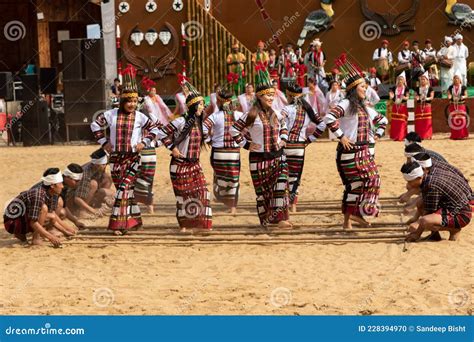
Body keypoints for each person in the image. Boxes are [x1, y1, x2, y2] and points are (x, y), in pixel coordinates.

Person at [91, 68, 160, 235]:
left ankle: (119, 225)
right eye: (129, 101)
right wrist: (103, 142)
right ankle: (135, 220)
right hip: (115, 159)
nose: (132, 104)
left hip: (133, 159)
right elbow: (94, 125)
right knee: (125, 191)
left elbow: (154, 129)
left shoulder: (140, 116)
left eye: (135, 101)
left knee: (123, 189)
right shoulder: (111, 114)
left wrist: (144, 142)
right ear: (123, 100)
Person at [325, 55, 388, 229]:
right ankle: (360, 214)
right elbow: (329, 117)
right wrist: (341, 136)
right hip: (349, 151)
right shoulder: (345, 103)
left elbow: (383, 121)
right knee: (373, 180)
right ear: (354, 88)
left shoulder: (364, 107)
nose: (365, 89)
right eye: (362, 86)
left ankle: (348, 222)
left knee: (355, 186)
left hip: (362, 151)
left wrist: (378, 135)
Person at [230, 68, 292, 229]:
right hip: (258, 159)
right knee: (263, 193)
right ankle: (267, 220)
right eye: (268, 95)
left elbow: (284, 126)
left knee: (280, 186)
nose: (271, 97)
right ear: (259, 96)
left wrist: (283, 139)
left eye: (272, 95)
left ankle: (281, 219)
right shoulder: (251, 115)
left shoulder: (276, 113)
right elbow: (233, 130)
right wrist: (246, 144)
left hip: (278, 156)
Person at [156, 86, 212, 232]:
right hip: (179, 164)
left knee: (203, 193)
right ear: (192, 106)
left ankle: (202, 225)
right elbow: (162, 133)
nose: (202, 106)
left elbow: (207, 137)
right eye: (199, 104)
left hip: (195, 164)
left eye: (202, 104)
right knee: (183, 196)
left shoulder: (201, 124)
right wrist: (172, 148)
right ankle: (185, 226)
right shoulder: (180, 121)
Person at [402, 160, 472, 242]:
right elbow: (426, 205)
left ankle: (454, 230)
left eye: (410, 181)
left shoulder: (431, 185)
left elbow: (429, 213)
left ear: (419, 178)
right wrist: (416, 220)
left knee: (425, 221)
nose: (409, 184)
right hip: (450, 208)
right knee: (421, 205)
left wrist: (417, 231)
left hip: (461, 214)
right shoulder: (427, 180)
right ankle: (434, 236)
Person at [283, 84, 326, 212]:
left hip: (285, 146)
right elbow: (322, 124)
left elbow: (279, 125)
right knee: (296, 176)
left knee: (284, 175)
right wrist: (310, 140)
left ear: (290, 95)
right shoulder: (307, 109)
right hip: (299, 147)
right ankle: (293, 205)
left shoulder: (286, 109)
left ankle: (285, 203)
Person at [203, 89, 244, 214]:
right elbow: (248, 128)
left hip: (218, 152)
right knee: (234, 179)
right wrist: (243, 141)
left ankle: (221, 196)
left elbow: (203, 129)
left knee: (221, 177)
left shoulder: (214, 116)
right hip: (234, 153)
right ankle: (232, 207)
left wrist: (209, 140)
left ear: (219, 103)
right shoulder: (238, 115)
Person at [3, 168, 68, 247]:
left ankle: (21, 234)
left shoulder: (50, 193)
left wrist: (66, 231)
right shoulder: (38, 194)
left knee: (51, 215)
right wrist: (51, 237)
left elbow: (52, 218)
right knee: (44, 209)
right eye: (60, 183)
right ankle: (36, 238)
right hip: (11, 223)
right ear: (52, 185)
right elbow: (33, 222)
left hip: (21, 218)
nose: (62, 186)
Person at [68, 148, 114, 217]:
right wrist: (93, 211)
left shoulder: (98, 167)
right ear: (97, 165)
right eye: (104, 164)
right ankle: (81, 211)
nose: (105, 166)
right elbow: (77, 198)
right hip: (71, 199)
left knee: (107, 178)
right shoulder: (86, 173)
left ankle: (96, 205)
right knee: (93, 184)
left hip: (84, 194)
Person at [447, 72, 469, 140]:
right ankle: (455, 135)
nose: (456, 80)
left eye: (457, 78)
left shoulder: (463, 87)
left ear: (460, 79)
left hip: (461, 105)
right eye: (455, 78)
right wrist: (450, 97)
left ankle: (462, 134)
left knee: (461, 119)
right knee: (454, 120)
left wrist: (462, 97)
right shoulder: (450, 87)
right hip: (453, 105)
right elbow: (449, 95)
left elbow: (466, 95)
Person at [388, 72, 410, 141]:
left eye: (401, 79)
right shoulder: (394, 88)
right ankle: (395, 136)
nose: (400, 81)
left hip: (402, 107)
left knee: (402, 121)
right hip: (395, 106)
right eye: (399, 79)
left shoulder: (406, 88)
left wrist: (404, 98)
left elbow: (407, 97)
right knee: (395, 122)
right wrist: (391, 96)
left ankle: (401, 136)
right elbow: (391, 94)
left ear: (404, 81)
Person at [414, 71, 434, 139]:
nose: (422, 81)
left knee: (427, 121)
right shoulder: (417, 89)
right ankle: (419, 135)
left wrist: (426, 98)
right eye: (421, 79)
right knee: (419, 121)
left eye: (424, 79)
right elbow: (415, 97)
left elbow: (431, 97)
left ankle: (428, 135)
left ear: (427, 80)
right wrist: (417, 98)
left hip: (427, 106)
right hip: (419, 106)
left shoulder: (430, 88)